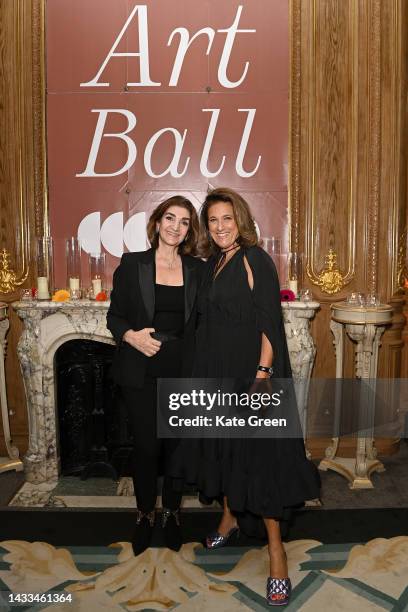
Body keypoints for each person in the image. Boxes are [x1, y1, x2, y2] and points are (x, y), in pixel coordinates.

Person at [190, 187, 320, 606]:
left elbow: (269, 321)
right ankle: (228, 518)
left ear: (240, 220)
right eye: (213, 220)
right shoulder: (214, 261)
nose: (221, 226)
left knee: (260, 457)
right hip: (218, 372)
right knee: (226, 448)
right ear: (207, 227)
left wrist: (263, 374)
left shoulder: (254, 258)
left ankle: (277, 552)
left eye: (227, 218)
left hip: (251, 373)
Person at [107, 195, 204, 556]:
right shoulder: (132, 264)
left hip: (182, 367)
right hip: (140, 367)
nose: (175, 226)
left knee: (177, 448)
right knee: (147, 447)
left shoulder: (197, 269)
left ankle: (172, 515)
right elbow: (114, 317)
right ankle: (145, 514)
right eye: (170, 218)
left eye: (183, 221)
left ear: (189, 230)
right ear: (158, 221)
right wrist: (132, 337)